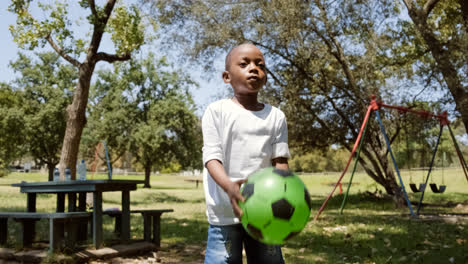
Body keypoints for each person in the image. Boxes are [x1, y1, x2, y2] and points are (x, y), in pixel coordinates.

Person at [202, 42, 290, 264]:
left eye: (260, 65)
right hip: (224, 211)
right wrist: (230, 187)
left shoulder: (276, 116)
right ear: (227, 77)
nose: (253, 68)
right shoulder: (216, 112)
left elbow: (280, 162)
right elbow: (212, 158)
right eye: (244, 64)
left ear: (266, 77)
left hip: (263, 213)